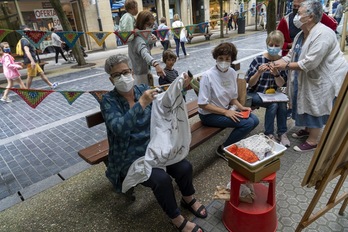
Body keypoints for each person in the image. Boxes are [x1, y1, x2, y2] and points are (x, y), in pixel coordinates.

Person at [101, 54, 206, 232]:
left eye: (125, 72)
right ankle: (176, 217)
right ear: (111, 79)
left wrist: (181, 87)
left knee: (184, 167)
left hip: (156, 146)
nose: (123, 77)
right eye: (117, 75)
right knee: (161, 179)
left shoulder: (143, 88)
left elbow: (165, 104)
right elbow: (119, 129)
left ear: (132, 72)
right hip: (130, 155)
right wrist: (141, 103)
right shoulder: (109, 101)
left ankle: (188, 198)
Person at [273, 0, 347, 152]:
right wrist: (279, 61)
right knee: (305, 99)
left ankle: (313, 141)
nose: (295, 16)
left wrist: (285, 66)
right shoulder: (302, 34)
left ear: (310, 17)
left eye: (299, 13)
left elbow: (310, 63)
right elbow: (293, 55)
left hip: (325, 76)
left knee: (316, 104)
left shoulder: (323, 34)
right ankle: (307, 130)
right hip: (310, 75)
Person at [198, 42, 259, 161]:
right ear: (216, 58)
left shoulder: (231, 73)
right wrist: (226, 112)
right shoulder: (207, 76)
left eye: (227, 59)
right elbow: (202, 104)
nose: (224, 61)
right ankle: (223, 149)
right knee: (247, 123)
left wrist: (241, 107)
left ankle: (233, 142)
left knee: (255, 120)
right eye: (221, 58)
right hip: (209, 114)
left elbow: (232, 98)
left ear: (232, 59)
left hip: (225, 110)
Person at [245, 30, 290, 147]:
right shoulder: (258, 60)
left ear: (281, 45)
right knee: (274, 104)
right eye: (271, 45)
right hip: (255, 93)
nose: (273, 48)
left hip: (273, 94)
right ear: (267, 44)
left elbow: (281, 84)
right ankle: (269, 133)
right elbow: (250, 82)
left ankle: (282, 133)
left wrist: (276, 74)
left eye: (276, 45)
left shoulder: (282, 62)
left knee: (282, 103)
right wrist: (258, 73)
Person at [128, 11, 165, 85]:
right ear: (142, 23)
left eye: (152, 25)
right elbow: (144, 53)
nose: (150, 27)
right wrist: (156, 64)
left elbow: (147, 50)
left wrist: (150, 42)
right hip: (139, 76)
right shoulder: (137, 38)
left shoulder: (142, 35)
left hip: (144, 72)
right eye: (149, 24)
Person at [20, 25, 58, 89]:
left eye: (29, 31)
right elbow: (27, 51)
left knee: (41, 73)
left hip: (33, 60)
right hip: (30, 61)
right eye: (27, 31)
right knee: (30, 76)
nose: (29, 32)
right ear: (23, 32)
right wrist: (32, 61)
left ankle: (51, 85)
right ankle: (27, 89)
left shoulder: (27, 39)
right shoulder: (24, 40)